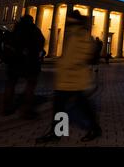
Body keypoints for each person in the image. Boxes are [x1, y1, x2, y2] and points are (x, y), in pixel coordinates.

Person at [36, 10, 102, 144]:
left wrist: (67, 64)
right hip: (66, 78)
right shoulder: (73, 33)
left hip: (74, 78)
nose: (67, 22)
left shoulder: (81, 34)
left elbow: (84, 53)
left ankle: (94, 128)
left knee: (80, 106)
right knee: (62, 106)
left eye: (70, 20)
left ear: (74, 21)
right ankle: (58, 132)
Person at [3, 15, 45, 119]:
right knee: (30, 84)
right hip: (29, 62)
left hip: (14, 62)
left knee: (11, 84)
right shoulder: (35, 30)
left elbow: (8, 43)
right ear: (32, 21)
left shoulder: (15, 30)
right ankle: (26, 109)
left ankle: (7, 107)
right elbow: (41, 43)